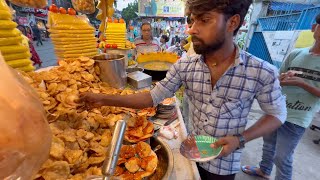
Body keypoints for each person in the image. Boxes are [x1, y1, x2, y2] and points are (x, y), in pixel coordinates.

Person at [79, 0, 287, 179]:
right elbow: (152, 97)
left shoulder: (261, 71)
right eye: (192, 20)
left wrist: (240, 139)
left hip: (224, 164)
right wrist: (102, 99)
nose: (191, 29)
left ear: (233, 22)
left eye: (204, 20)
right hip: (190, 153)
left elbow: (277, 114)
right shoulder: (185, 65)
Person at [242, 13, 320, 180]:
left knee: (282, 157)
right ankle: (264, 170)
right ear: (314, 28)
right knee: (268, 145)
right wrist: (282, 79)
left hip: (298, 117)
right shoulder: (296, 54)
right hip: (276, 109)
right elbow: (277, 79)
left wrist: (301, 83)